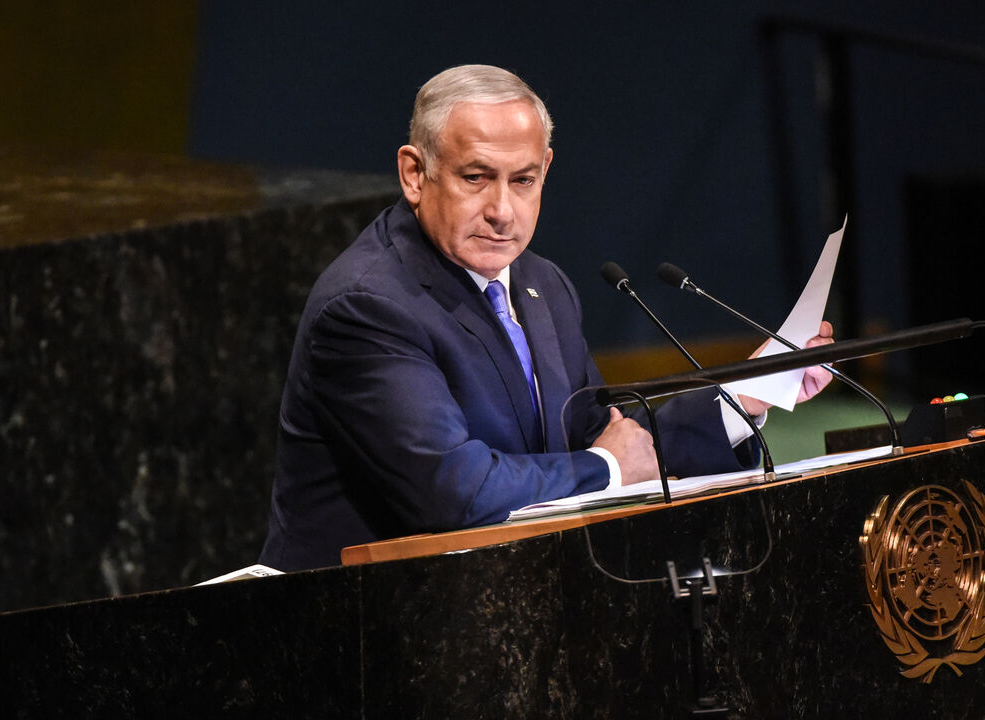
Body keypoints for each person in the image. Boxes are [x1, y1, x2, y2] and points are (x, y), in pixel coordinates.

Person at [259, 64, 833, 571]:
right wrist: (605, 468)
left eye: (524, 180)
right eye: (475, 177)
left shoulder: (541, 284)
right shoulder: (369, 306)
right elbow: (455, 494)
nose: (502, 212)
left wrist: (747, 393)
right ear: (415, 173)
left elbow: (602, 438)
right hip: (354, 629)